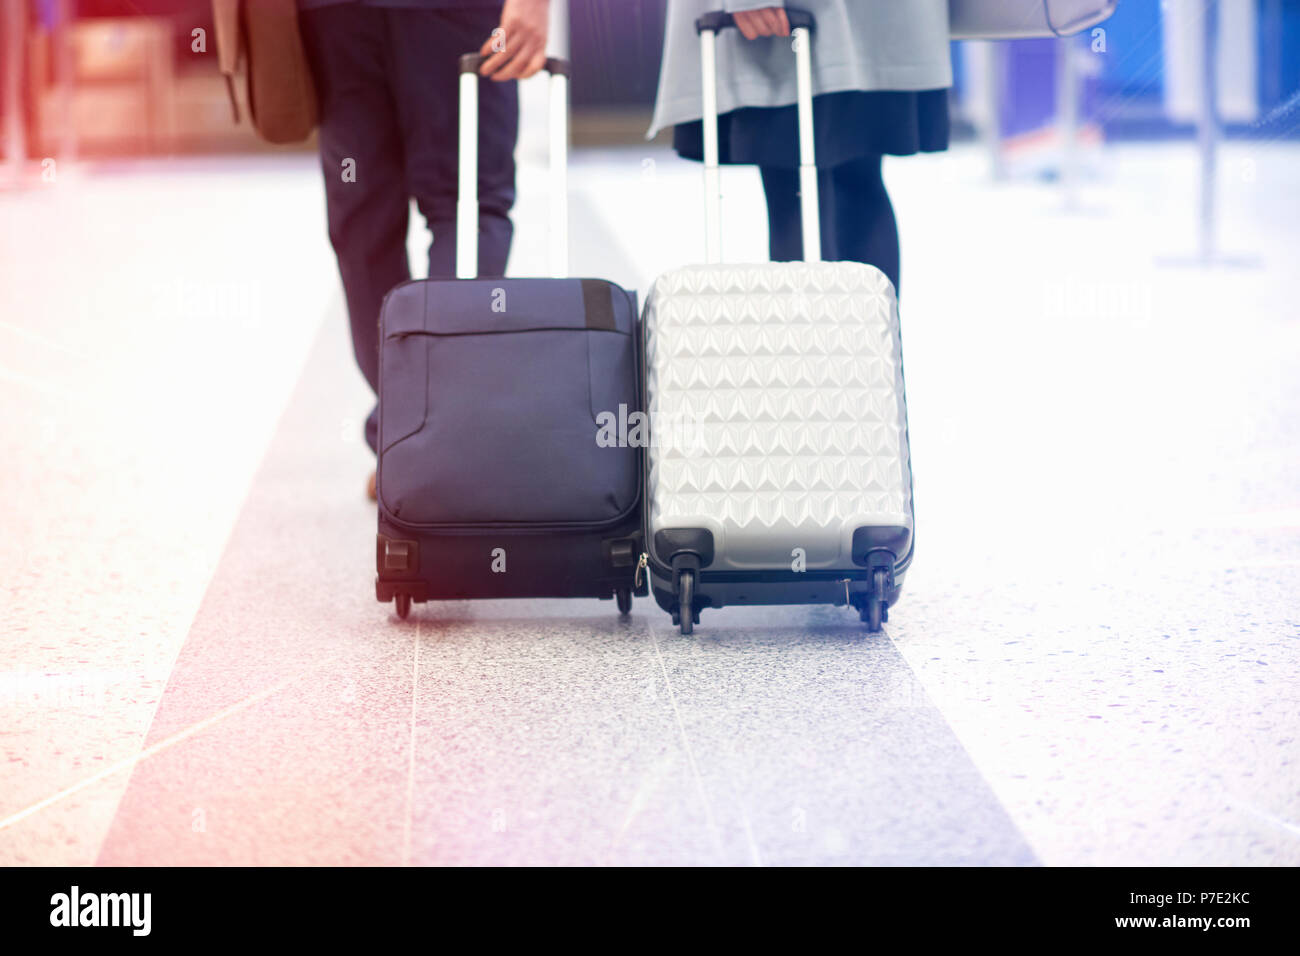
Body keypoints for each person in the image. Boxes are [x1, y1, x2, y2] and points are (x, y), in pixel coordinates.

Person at [298, 0, 551, 498]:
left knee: (407, 212)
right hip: (365, 14)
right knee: (427, 210)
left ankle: (418, 433)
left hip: (399, 14)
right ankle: (425, 432)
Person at [649, 0, 952, 294]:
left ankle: (821, 344)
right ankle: (869, 344)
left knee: (798, 184)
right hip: (871, 21)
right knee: (855, 181)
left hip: (805, 20)